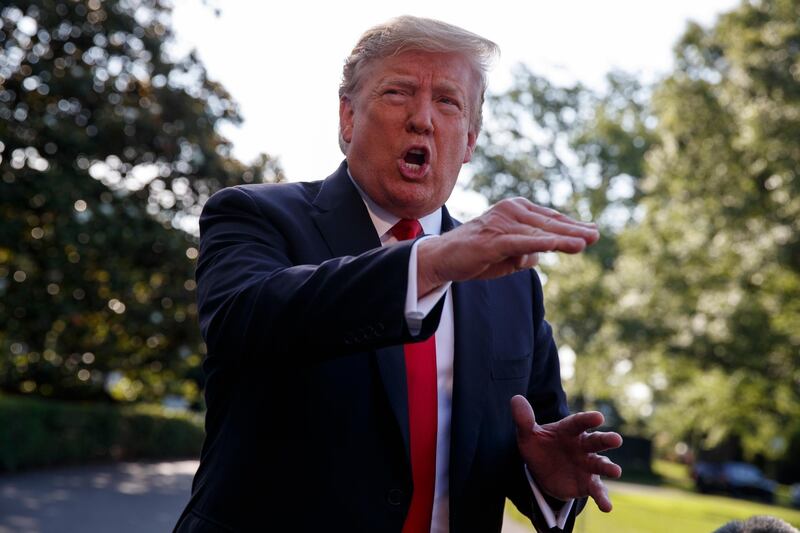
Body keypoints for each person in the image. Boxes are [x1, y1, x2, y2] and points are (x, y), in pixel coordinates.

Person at [174, 15, 622, 533]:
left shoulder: (513, 285)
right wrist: (430, 263)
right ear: (347, 117)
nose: (422, 119)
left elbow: (537, 437)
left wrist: (549, 481)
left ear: (471, 140)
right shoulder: (254, 216)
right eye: (398, 92)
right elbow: (246, 320)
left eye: (448, 102)